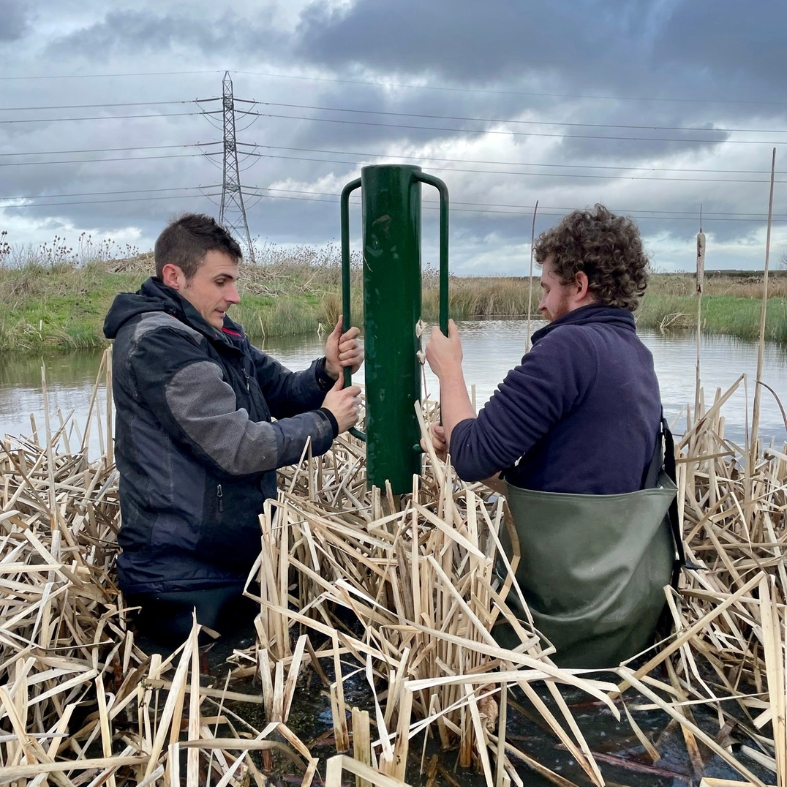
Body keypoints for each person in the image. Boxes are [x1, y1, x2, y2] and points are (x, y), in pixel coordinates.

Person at [425, 205, 677, 668]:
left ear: (578, 286)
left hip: (566, 619)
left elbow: (474, 456)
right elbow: (577, 476)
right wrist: (465, 443)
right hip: (624, 611)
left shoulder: (568, 348)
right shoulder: (634, 354)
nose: (541, 303)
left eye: (545, 287)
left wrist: (449, 370)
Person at [104, 213, 363, 646]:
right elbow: (237, 446)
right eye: (221, 281)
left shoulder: (216, 332)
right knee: (197, 707)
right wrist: (327, 422)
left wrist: (326, 372)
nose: (235, 295)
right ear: (174, 276)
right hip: (181, 582)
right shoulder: (158, 343)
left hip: (229, 565)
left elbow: (280, 390)